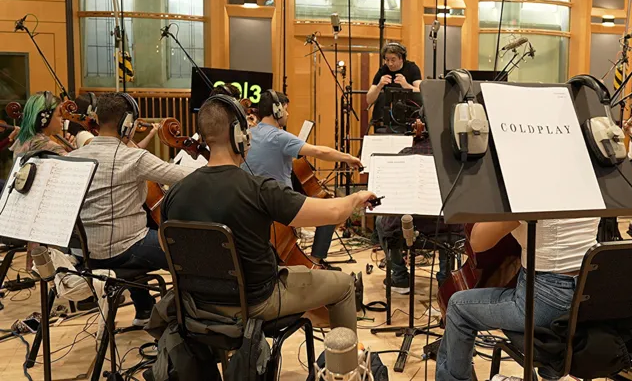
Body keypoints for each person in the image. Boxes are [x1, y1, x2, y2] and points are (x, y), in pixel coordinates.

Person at [162, 95, 377, 332]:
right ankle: (344, 368)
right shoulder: (259, 189)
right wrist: (358, 197)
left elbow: (168, 248)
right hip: (256, 302)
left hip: (195, 304)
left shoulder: (175, 193)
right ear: (239, 136)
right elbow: (335, 212)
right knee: (345, 285)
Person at [69, 93, 194, 326]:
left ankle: (145, 310)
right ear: (127, 124)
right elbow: (184, 177)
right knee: (188, 252)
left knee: (142, 229)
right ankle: (185, 322)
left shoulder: (74, 156)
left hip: (85, 252)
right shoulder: (134, 158)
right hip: (120, 249)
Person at [436, 218, 600, 381]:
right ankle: (551, 375)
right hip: (587, 295)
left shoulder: (528, 193)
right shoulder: (595, 190)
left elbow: (478, 242)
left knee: (459, 307)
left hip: (547, 303)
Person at [244, 90, 362, 269]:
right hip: (279, 205)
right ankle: (315, 263)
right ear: (277, 111)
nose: (288, 113)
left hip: (252, 204)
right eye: (285, 109)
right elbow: (320, 152)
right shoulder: (279, 136)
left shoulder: (250, 133)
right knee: (330, 213)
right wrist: (348, 157)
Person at [375, 136, 464, 293]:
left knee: (381, 220)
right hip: (450, 231)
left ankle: (400, 277)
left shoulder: (406, 154)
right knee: (449, 220)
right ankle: (446, 279)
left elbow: (392, 198)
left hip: (409, 231)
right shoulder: (458, 158)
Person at [11, 91, 74, 158]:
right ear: (45, 117)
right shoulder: (48, 147)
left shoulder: (21, 140)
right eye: (59, 115)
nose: (63, 119)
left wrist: (64, 148)